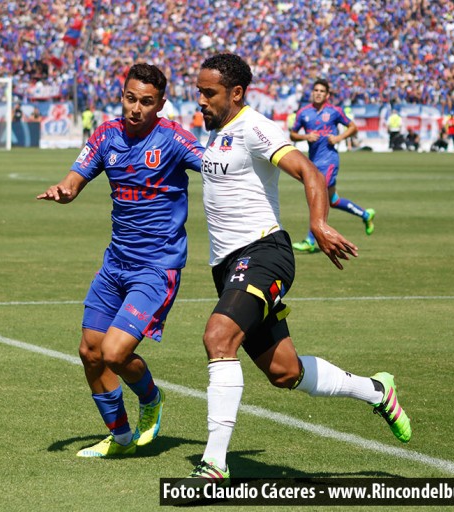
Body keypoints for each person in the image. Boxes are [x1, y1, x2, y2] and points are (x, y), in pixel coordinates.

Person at [188, 53, 411, 482]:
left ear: (236, 93)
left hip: (264, 252)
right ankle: (377, 390)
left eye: (208, 92)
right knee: (285, 372)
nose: (200, 99)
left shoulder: (256, 128)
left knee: (218, 337)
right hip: (228, 265)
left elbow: (309, 170)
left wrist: (319, 222)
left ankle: (214, 464)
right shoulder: (216, 130)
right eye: (199, 91)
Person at [37, 63, 204, 458]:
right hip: (115, 264)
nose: (136, 108)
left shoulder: (175, 140)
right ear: (122, 95)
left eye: (146, 102)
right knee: (90, 353)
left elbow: (217, 168)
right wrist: (64, 191)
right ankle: (122, 436)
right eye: (131, 98)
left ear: (160, 104)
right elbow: (74, 181)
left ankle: (151, 398)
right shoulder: (106, 135)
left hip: (156, 267)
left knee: (114, 352)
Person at [289, 79, 375, 253]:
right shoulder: (304, 113)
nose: (318, 93)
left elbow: (353, 127)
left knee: (317, 194)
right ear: (312, 93)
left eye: (322, 91)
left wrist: (338, 138)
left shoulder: (335, 111)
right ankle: (365, 215)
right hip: (313, 162)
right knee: (333, 200)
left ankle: (311, 240)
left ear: (327, 95)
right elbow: (292, 134)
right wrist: (306, 137)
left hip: (329, 161)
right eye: (316, 90)